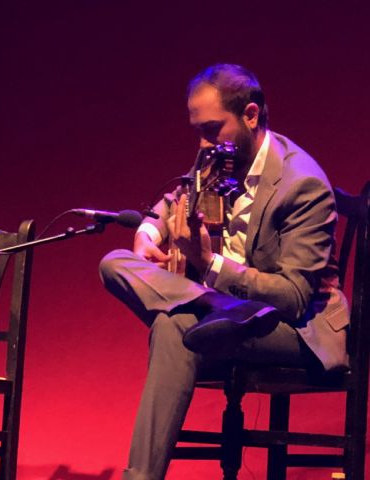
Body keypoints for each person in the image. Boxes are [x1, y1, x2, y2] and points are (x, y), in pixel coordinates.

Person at [99, 64, 349, 480]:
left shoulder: (303, 184)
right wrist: (148, 231)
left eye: (213, 128)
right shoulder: (220, 159)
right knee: (114, 263)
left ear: (250, 115)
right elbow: (175, 198)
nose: (203, 142)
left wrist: (209, 265)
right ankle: (215, 307)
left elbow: (294, 298)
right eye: (198, 129)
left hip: (295, 327)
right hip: (224, 314)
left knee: (171, 325)